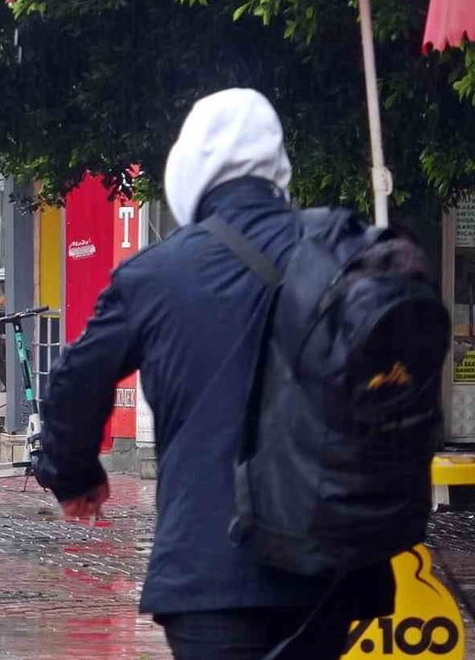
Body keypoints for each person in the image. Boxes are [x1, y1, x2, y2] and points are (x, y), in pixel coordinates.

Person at [34, 89, 393, 659]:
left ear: (190, 166)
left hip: (209, 570)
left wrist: (74, 476)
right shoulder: (339, 252)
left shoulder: (157, 273)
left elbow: (75, 380)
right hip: (328, 566)